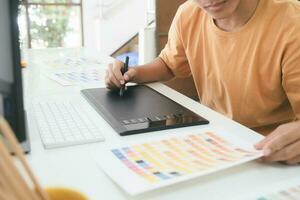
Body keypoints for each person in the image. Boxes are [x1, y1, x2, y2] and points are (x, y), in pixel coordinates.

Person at [105, 0, 300, 164]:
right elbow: (169, 64)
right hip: (210, 140)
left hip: (269, 150)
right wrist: (133, 73)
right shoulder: (189, 14)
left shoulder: (292, 22)